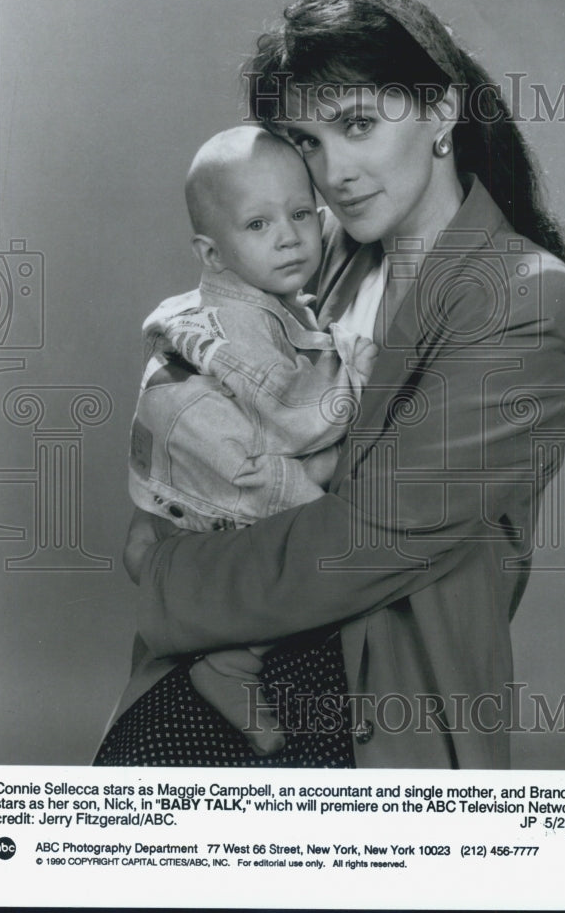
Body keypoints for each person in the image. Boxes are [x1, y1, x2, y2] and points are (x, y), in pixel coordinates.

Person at [95, 0, 565, 769]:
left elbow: (364, 543)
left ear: (441, 110)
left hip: (369, 720)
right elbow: (200, 373)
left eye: (359, 124)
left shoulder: (526, 298)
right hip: (212, 681)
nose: (332, 173)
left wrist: (165, 571)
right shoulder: (316, 248)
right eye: (308, 140)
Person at [126, 125, 378, 757]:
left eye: (299, 214)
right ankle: (234, 662)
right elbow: (300, 414)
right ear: (213, 255)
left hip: (205, 469)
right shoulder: (236, 325)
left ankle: (229, 653)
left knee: (303, 538)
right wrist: (357, 359)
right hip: (222, 479)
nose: (289, 237)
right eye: (258, 226)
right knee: (324, 541)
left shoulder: (267, 296)